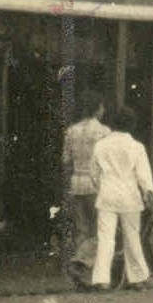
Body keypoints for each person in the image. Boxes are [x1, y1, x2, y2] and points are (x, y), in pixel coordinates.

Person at [90, 108, 153, 291]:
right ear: (132, 125)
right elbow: (144, 177)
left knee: (105, 238)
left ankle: (102, 280)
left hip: (107, 194)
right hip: (130, 196)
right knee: (132, 237)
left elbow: (94, 173)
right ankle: (138, 278)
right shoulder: (137, 147)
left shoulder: (100, 145)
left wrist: (101, 187)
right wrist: (150, 195)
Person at [61, 91, 110, 286]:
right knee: (100, 230)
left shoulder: (71, 131)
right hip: (96, 184)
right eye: (102, 107)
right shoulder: (103, 131)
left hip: (76, 183)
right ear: (97, 109)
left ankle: (80, 273)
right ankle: (80, 262)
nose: (103, 110)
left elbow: (65, 160)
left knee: (82, 229)